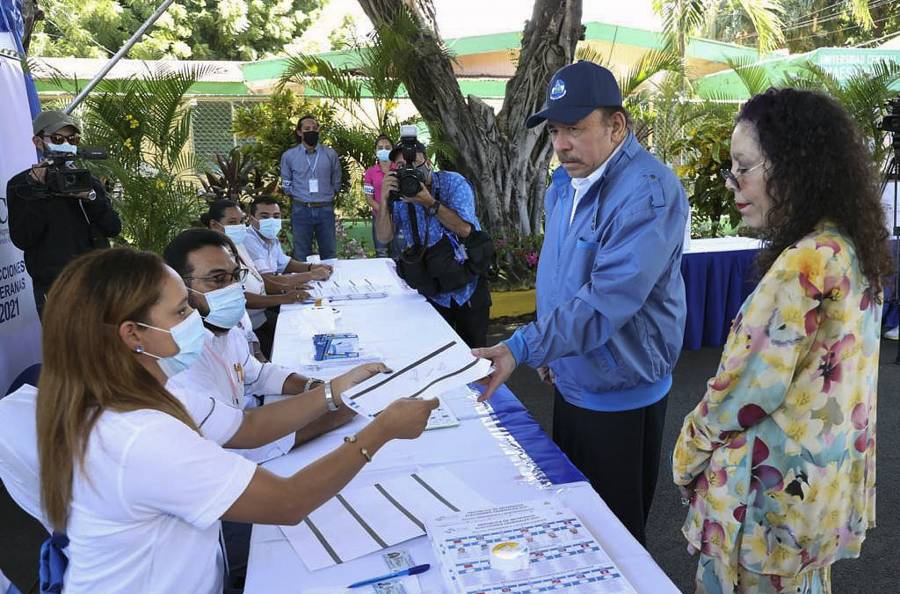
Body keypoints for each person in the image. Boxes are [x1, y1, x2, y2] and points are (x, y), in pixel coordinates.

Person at [31, 247, 437, 594]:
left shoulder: (134, 393)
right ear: (133, 335)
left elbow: (246, 428)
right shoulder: (138, 434)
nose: (198, 316)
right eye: (182, 310)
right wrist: (381, 431)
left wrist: (335, 390)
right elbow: (288, 501)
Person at [672, 88, 892, 594]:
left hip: (765, 511)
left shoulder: (804, 263)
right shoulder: (849, 249)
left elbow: (741, 394)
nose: (732, 185)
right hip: (816, 498)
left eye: (742, 168)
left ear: (793, 167)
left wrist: (685, 457)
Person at [474, 61, 689, 545]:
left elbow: (606, 301)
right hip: (574, 377)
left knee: (614, 538)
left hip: (621, 392)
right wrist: (550, 349)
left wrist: (523, 347)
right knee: (575, 522)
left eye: (575, 128)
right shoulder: (565, 183)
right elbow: (562, 278)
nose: (561, 144)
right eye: (555, 130)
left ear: (616, 125)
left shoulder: (648, 194)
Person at [373, 141, 492, 347]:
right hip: (432, 289)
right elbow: (384, 237)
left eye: (414, 163)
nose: (408, 170)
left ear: (428, 163)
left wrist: (428, 202)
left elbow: (465, 230)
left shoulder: (453, 183)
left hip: (467, 287)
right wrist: (384, 201)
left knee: (475, 357)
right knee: (438, 356)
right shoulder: (399, 195)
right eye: (401, 166)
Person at [6, 110, 121, 316]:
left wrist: (91, 197)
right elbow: (23, 238)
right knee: (67, 348)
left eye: (72, 139)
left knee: (103, 346)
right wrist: (38, 190)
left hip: (97, 282)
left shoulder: (88, 181)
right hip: (55, 289)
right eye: (58, 138)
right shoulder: (22, 184)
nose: (66, 144)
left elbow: (113, 227)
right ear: (38, 142)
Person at [201, 199, 307, 357]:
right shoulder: (212, 258)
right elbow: (242, 296)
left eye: (241, 221)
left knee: (301, 330)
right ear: (215, 225)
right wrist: (285, 297)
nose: (239, 227)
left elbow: (260, 279)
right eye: (232, 222)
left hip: (260, 318)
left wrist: (290, 289)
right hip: (246, 327)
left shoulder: (238, 246)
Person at [280, 115, 342, 261]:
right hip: (301, 209)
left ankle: (332, 282)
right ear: (299, 132)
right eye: (307, 129)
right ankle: (304, 282)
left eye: (314, 128)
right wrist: (295, 195)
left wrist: (332, 193)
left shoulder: (330, 154)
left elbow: (337, 178)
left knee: (329, 252)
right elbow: (286, 181)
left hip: (325, 208)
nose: (311, 131)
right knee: (302, 253)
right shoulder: (289, 156)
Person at [244, 195, 332, 289]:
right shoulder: (248, 240)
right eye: (265, 217)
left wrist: (311, 267)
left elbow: (285, 264)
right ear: (251, 219)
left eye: (276, 216)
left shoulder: (272, 238)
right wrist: (312, 275)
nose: (271, 220)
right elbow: (269, 280)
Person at [363, 134, 396, 257]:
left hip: (399, 218)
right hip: (379, 217)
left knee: (400, 254)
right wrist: (384, 211)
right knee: (382, 254)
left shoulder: (399, 168)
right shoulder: (370, 172)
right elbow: (369, 198)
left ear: (393, 150)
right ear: (375, 151)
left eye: (387, 147)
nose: (384, 150)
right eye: (380, 147)